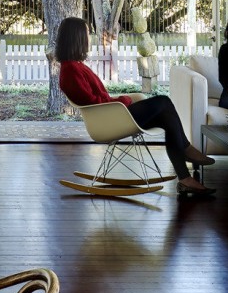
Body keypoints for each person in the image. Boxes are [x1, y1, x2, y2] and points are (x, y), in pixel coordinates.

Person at [54, 16, 214, 197]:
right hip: (110, 120)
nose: (89, 37)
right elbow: (93, 102)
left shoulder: (75, 66)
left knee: (166, 117)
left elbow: (97, 98)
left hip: (112, 114)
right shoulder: (70, 70)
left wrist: (121, 100)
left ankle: (185, 179)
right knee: (163, 101)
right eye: (86, 33)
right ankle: (185, 149)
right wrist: (123, 100)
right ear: (77, 37)